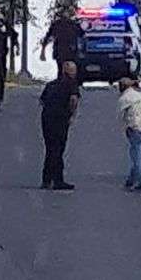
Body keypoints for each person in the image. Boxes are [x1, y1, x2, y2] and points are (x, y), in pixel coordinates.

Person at [40, 61, 81, 191]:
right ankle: (58, 180)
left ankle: (46, 180)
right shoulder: (71, 84)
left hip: (47, 118)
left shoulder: (51, 84)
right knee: (58, 149)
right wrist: (72, 115)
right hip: (60, 119)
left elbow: (42, 100)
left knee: (50, 148)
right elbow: (74, 100)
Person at [118, 77, 141, 192]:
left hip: (135, 129)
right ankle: (131, 180)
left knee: (136, 157)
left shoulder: (124, 98)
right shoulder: (138, 95)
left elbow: (122, 116)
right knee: (136, 154)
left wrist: (125, 129)